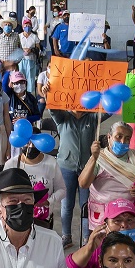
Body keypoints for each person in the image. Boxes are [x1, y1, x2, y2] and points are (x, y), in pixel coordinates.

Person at [80, 122, 135, 237]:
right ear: (109, 137)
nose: (122, 142)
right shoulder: (100, 158)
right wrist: (94, 158)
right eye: (119, 136)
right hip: (102, 216)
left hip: (128, 217)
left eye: (127, 138)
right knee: (101, 251)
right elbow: (83, 184)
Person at [48, 105, 105, 247]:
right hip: (66, 166)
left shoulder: (92, 117)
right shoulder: (63, 117)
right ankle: (66, 236)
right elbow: (53, 109)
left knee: (86, 205)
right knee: (66, 204)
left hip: (87, 167)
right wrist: (49, 93)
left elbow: (110, 110)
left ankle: (87, 238)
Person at [3, 144, 65, 227]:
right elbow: (3, 193)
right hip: (17, 216)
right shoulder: (11, 164)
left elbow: (62, 189)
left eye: (35, 144)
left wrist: (48, 202)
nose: (31, 147)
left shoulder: (51, 162)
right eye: (28, 143)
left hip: (42, 218)